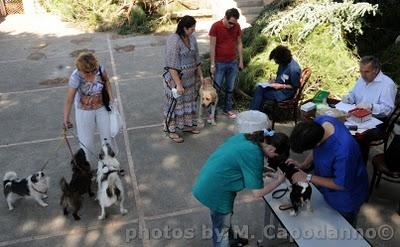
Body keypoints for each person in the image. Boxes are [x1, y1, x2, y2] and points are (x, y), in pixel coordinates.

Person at [192, 131, 287, 247]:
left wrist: (262, 169)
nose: (273, 158)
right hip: (217, 191)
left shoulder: (247, 138)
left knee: (222, 220)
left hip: (208, 179)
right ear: (272, 149)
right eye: (275, 156)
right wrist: (278, 181)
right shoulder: (255, 153)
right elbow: (258, 193)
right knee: (221, 228)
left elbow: (239, 160)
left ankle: (231, 239)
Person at [288, 116, 369, 227]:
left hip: (346, 198)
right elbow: (315, 148)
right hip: (327, 186)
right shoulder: (319, 123)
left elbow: (340, 184)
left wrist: (307, 177)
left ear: (317, 144)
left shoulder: (344, 151)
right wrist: (304, 165)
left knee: (343, 231)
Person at [342, 56, 397, 162]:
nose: (363, 75)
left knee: (358, 135)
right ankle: (344, 159)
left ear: (376, 70)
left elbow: (388, 110)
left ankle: (359, 164)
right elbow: (354, 94)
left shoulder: (387, 84)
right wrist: (349, 97)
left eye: (366, 72)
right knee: (338, 124)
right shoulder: (362, 79)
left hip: (378, 121)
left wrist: (371, 106)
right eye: (361, 71)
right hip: (357, 115)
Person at [63, 52, 114, 162]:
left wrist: (111, 99)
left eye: (93, 70)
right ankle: (87, 169)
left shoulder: (100, 69)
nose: (91, 73)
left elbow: (107, 82)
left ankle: (111, 166)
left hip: (102, 108)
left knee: (107, 139)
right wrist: (66, 119)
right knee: (86, 143)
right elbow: (69, 100)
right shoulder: (75, 77)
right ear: (80, 69)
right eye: (87, 72)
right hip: (84, 112)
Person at [163, 15, 204, 143]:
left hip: (191, 81)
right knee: (175, 105)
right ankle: (171, 130)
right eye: (191, 28)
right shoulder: (173, 40)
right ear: (184, 28)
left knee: (189, 103)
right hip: (177, 81)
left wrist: (201, 76)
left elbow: (196, 59)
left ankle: (187, 126)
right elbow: (171, 65)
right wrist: (178, 84)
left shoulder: (192, 39)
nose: (194, 31)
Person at [209, 8, 244, 119]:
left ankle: (227, 109)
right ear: (225, 17)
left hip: (233, 62)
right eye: (230, 23)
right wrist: (212, 64)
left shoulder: (236, 26)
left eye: (235, 23)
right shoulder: (216, 26)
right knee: (216, 89)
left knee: (230, 87)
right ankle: (212, 112)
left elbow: (239, 43)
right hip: (219, 63)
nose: (232, 25)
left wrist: (241, 61)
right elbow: (212, 46)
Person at [250, 45, 301, 111]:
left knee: (261, 94)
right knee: (260, 88)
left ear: (282, 59)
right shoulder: (283, 64)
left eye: (276, 60)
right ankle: (255, 112)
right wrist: (273, 82)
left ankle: (254, 113)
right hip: (278, 88)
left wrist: (281, 86)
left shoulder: (294, 69)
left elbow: (295, 87)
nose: (275, 62)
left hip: (285, 93)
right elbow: (281, 77)